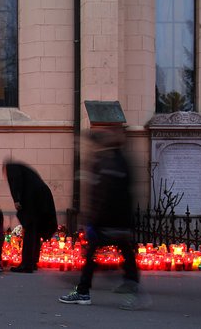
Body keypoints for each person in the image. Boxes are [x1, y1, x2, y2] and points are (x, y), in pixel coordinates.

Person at [59, 126, 144, 309]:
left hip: (107, 220)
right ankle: (130, 284)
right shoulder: (120, 160)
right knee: (125, 253)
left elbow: (102, 194)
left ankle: (83, 291)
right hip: (121, 220)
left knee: (92, 254)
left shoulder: (107, 162)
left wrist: (93, 221)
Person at [3, 161, 57, 273]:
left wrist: (16, 199)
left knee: (30, 229)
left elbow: (15, 181)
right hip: (42, 197)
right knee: (35, 230)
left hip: (34, 199)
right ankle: (32, 262)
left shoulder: (11, 167)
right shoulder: (25, 170)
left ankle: (26, 264)